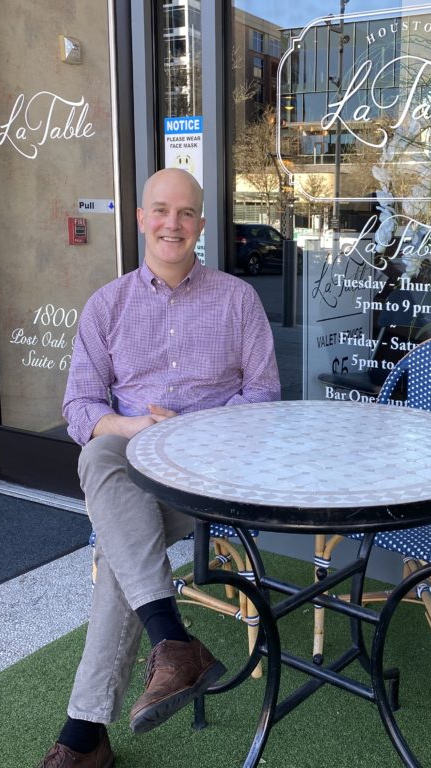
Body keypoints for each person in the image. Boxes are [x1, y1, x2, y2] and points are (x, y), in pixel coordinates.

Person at [39, 168, 281, 767]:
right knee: (100, 451)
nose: (173, 223)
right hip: (134, 469)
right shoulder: (107, 305)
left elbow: (266, 396)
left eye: (186, 212)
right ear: (142, 218)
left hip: (216, 474)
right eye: (161, 210)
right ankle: (171, 644)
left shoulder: (237, 299)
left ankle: (86, 733)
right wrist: (131, 427)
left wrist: (193, 428)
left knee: (120, 551)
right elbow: (79, 408)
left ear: (200, 223)